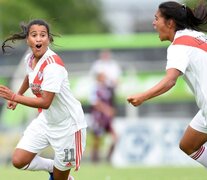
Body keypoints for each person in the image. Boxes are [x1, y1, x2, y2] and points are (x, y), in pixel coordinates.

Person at [0, 19, 87, 180]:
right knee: (18, 160)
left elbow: (45, 102)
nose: (39, 38)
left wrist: (14, 96)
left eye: (43, 35)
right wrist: (18, 95)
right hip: (47, 122)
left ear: (48, 39)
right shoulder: (30, 59)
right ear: (28, 40)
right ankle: (52, 167)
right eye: (34, 35)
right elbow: (30, 76)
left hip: (68, 127)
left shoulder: (53, 66)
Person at [127, 1, 207, 168]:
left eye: (157, 18)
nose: (153, 23)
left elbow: (170, 80)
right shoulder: (196, 36)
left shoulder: (178, 46)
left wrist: (142, 96)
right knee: (188, 144)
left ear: (170, 23)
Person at [89, 72, 117, 162]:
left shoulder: (108, 88)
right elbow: (95, 102)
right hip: (98, 118)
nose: (104, 79)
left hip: (107, 119)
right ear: (98, 78)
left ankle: (108, 158)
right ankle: (95, 161)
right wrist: (107, 110)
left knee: (115, 138)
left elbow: (111, 100)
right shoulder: (94, 88)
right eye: (103, 77)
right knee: (97, 140)